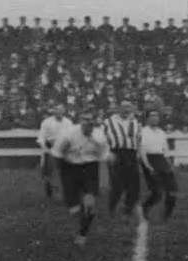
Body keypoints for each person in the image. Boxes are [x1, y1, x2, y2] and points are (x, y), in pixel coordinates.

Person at [51, 108, 111, 247]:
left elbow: (103, 158)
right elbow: (57, 155)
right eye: (85, 119)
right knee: (74, 209)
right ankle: (81, 220)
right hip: (69, 168)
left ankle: (83, 234)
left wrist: (104, 181)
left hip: (89, 169)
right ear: (80, 120)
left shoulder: (100, 137)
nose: (87, 122)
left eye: (90, 120)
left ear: (95, 122)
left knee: (90, 204)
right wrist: (56, 180)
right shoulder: (69, 134)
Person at [103, 100, 142, 215]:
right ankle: (112, 208)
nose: (126, 109)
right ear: (118, 108)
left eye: (129, 107)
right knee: (117, 184)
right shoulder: (108, 121)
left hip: (131, 154)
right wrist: (108, 153)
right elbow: (102, 138)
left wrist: (138, 153)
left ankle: (127, 208)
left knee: (134, 184)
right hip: (116, 154)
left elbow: (139, 138)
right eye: (124, 107)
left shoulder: (135, 122)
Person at [139, 109, 178, 220]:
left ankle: (167, 215)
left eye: (156, 115)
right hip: (149, 160)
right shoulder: (143, 132)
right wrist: (148, 166)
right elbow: (142, 152)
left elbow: (165, 151)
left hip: (161, 160)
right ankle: (144, 209)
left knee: (173, 189)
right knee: (157, 193)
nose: (155, 118)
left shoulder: (161, 132)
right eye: (152, 116)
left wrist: (170, 165)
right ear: (147, 119)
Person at [37, 104, 74, 198]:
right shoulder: (46, 122)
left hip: (64, 150)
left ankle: (64, 191)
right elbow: (41, 137)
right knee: (51, 172)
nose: (59, 112)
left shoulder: (68, 122)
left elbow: (71, 137)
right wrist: (46, 145)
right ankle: (50, 186)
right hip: (50, 150)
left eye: (61, 110)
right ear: (53, 111)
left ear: (64, 111)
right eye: (57, 110)